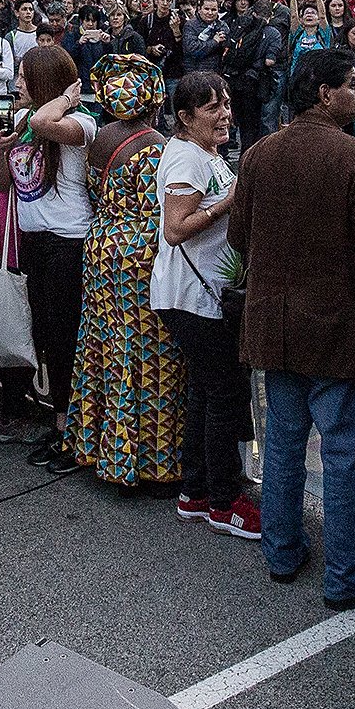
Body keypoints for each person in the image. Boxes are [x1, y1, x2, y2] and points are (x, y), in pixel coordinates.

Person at [227, 48, 355, 610]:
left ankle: (282, 552)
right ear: (324, 93)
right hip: (338, 329)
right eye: (352, 84)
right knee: (346, 456)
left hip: (276, 329)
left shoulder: (259, 155)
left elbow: (239, 237)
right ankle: (348, 577)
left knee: (281, 446)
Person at [68, 55, 189, 491]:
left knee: (105, 346)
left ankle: (100, 450)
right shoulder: (154, 143)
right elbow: (162, 209)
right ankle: (149, 462)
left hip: (100, 246)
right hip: (139, 253)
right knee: (149, 356)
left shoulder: (101, 137)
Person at [156, 71, 256, 536]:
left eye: (227, 104)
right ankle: (223, 501)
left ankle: (196, 492)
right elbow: (176, 228)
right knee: (221, 396)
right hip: (194, 298)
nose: (225, 115)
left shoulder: (206, 154)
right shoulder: (187, 160)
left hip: (203, 297)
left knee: (205, 393)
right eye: (212, 108)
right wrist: (227, 204)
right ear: (184, 117)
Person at [7, 44, 98, 474]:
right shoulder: (24, 119)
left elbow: (47, 121)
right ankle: (60, 423)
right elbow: (2, 174)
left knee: (66, 339)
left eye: (25, 76)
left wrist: (67, 96)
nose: (17, 84)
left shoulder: (80, 122)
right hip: (34, 237)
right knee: (45, 333)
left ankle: (72, 430)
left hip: (68, 240)